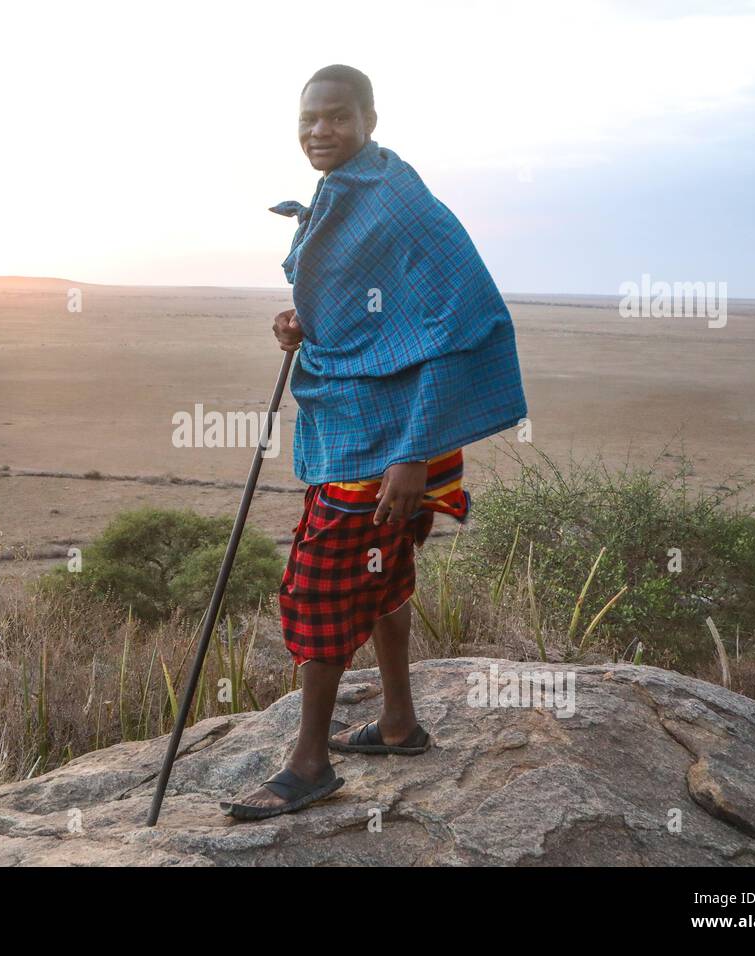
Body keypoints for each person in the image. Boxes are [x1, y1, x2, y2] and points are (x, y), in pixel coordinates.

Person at [221, 64, 528, 820]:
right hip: (368, 430)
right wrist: (302, 325)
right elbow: (369, 315)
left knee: (323, 585)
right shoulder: (344, 194)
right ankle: (397, 723)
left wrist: (413, 454)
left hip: (397, 443)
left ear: (370, 117)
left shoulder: (401, 205)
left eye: (336, 117)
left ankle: (309, 764)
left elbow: (461, 324)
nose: (320, 131)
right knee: (384, 574)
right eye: (309, 119)